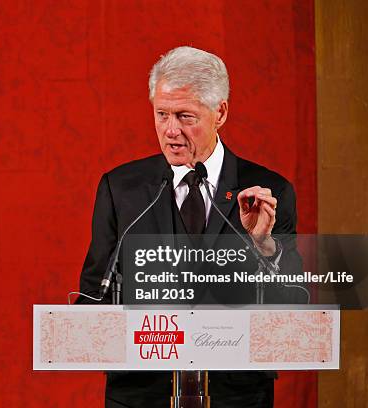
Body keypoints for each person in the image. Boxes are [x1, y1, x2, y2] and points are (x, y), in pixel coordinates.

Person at [77, 46, 299, 408]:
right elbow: (93, 291)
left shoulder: (268, 192)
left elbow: (293, 301)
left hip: (236, 393)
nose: (170, 131)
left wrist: (264, 246)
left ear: (220, 112)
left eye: (185, 116)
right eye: (161, 114)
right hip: (140, 392)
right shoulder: (122, 189)